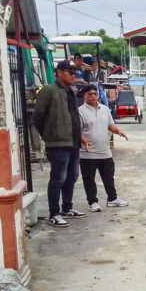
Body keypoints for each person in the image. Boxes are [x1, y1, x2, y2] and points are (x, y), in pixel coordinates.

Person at [33, 60, 87, 227]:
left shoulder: (70, 91)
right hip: (57, 142)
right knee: (58, 178)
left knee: (72, 177)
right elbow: (38, 116)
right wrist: (48, 134)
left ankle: (67, 208)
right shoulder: (49, 91)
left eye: (75, 72)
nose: (73, 75)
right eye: (70, 72)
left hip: (73, 142)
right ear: (59, 72)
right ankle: (54, 213)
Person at [78, 84, 130, 212]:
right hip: (88, 153)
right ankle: (92, 202)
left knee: (109, 177)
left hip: (104, 151)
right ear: (84, 96)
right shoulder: (80, 111)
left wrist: (119, 132)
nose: (93, 96)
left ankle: (112, 199)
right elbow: (76, 131)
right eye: (90, 94)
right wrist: (83, 141)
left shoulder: (105, 109)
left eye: (95, 94)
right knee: (89, 179)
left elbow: (110, 125)